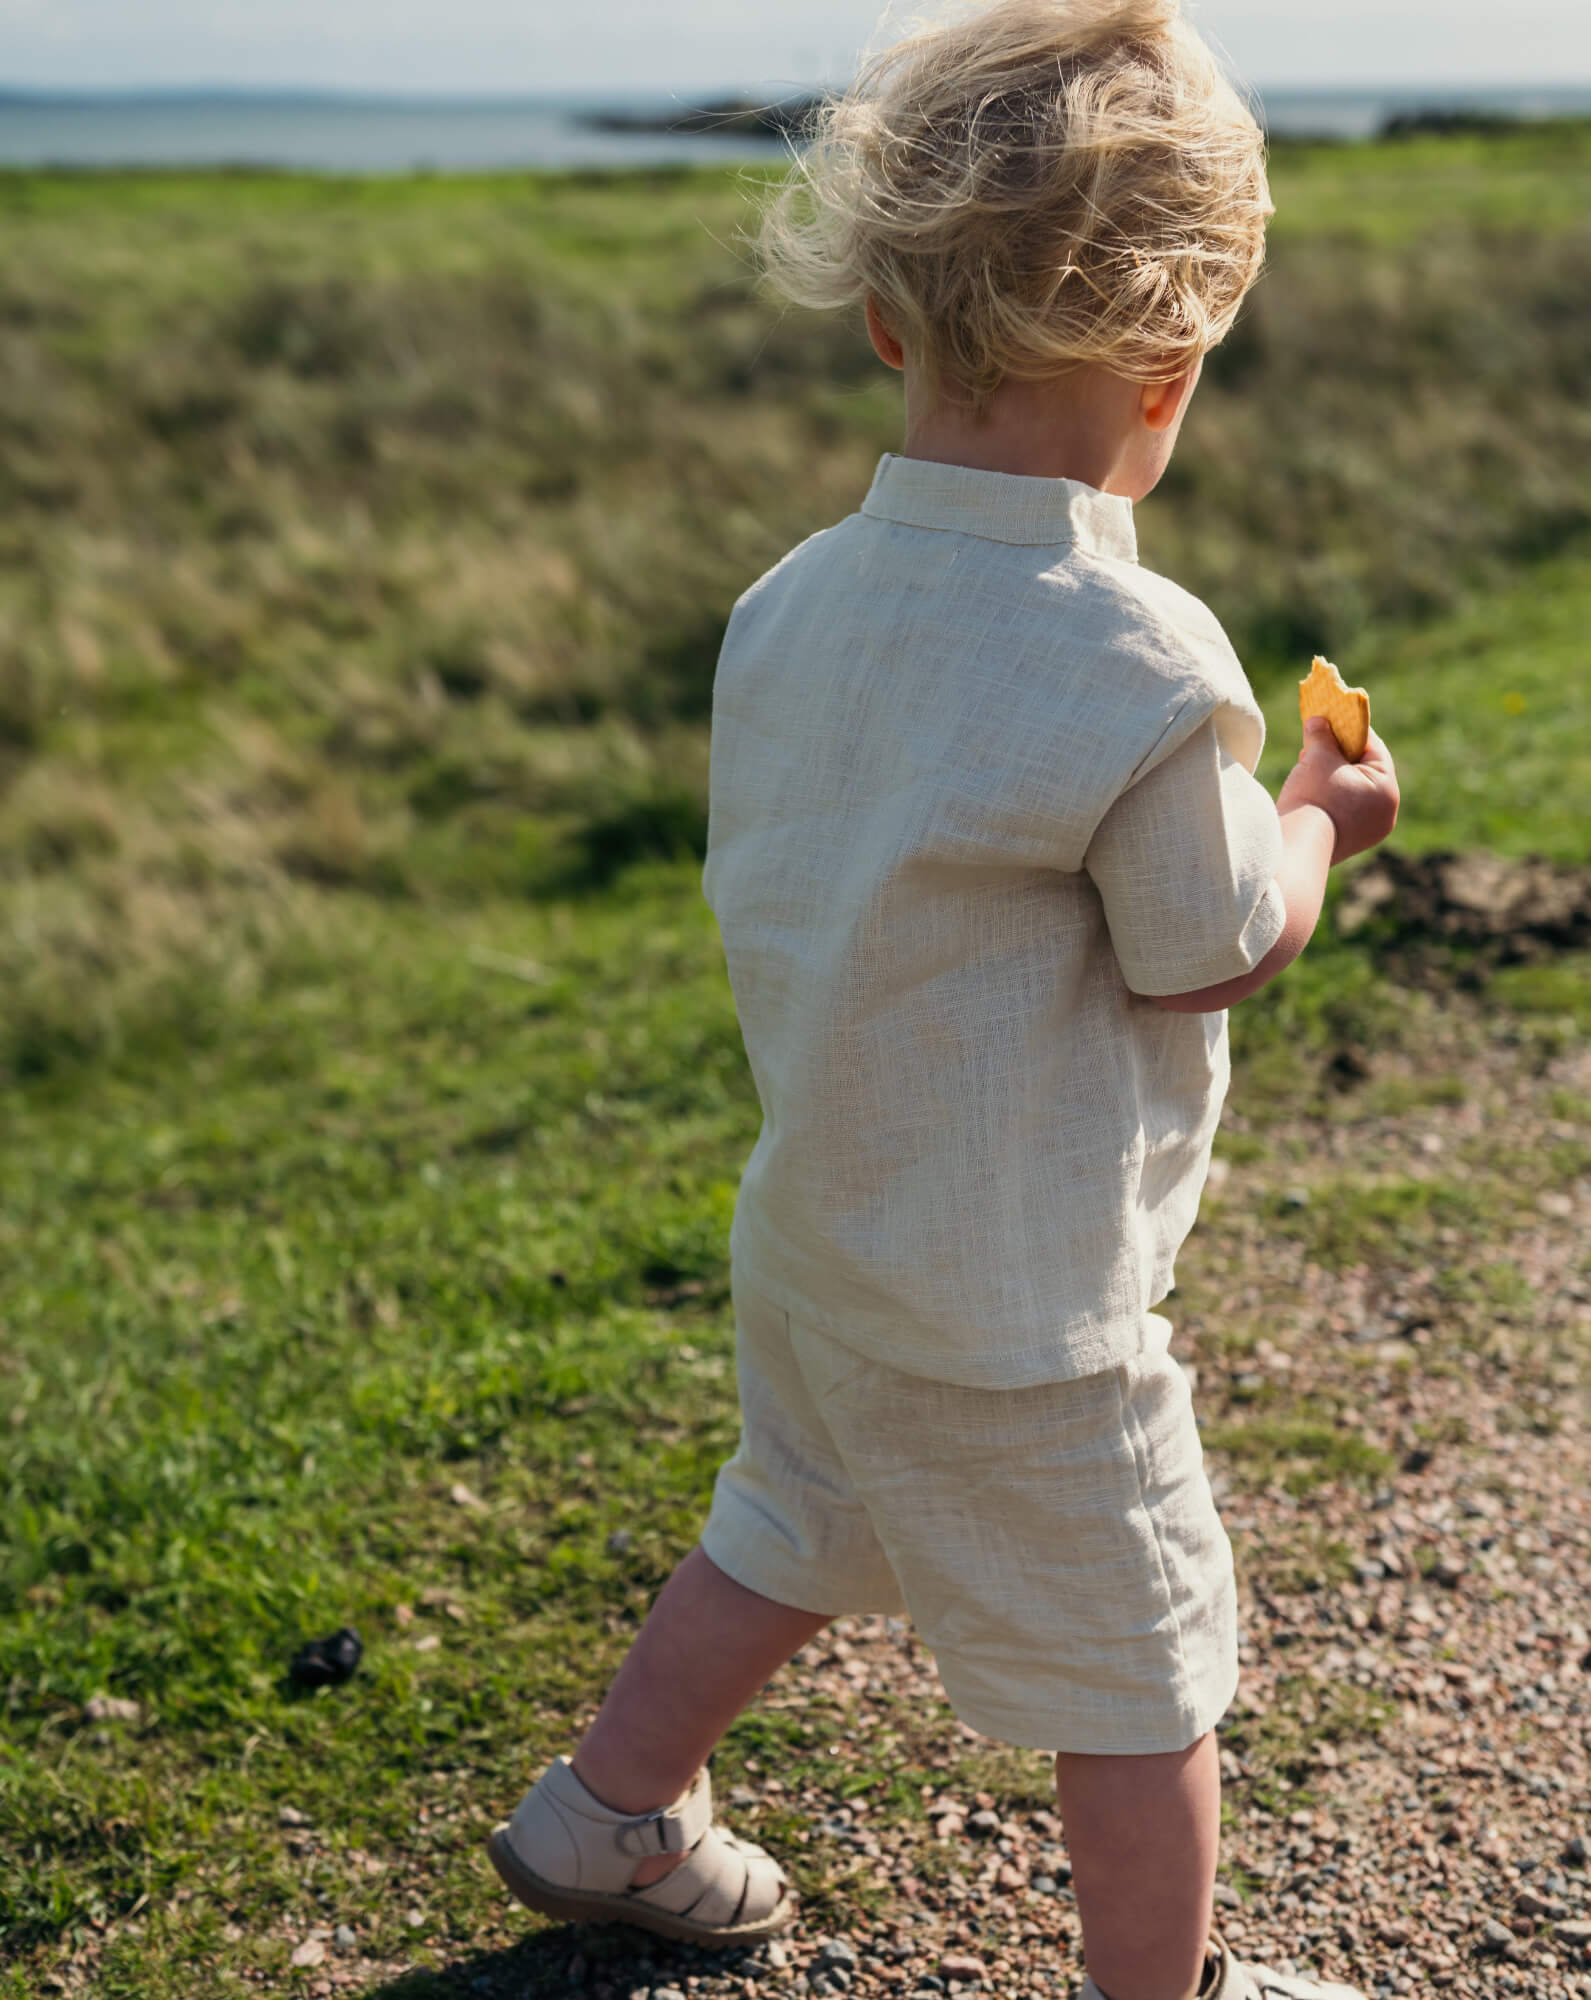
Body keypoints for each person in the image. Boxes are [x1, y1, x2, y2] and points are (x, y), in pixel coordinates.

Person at [486, 3, 1400, 1995]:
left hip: (824, 1225)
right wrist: (1320, 813)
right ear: (1171, 371)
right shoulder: (1140, 656)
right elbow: (1209, 935)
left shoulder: (788, 601)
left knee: (791, 1520)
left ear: (889, 327)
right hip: (1023, 1308)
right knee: (1141, 1663)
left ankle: (609, 1809)